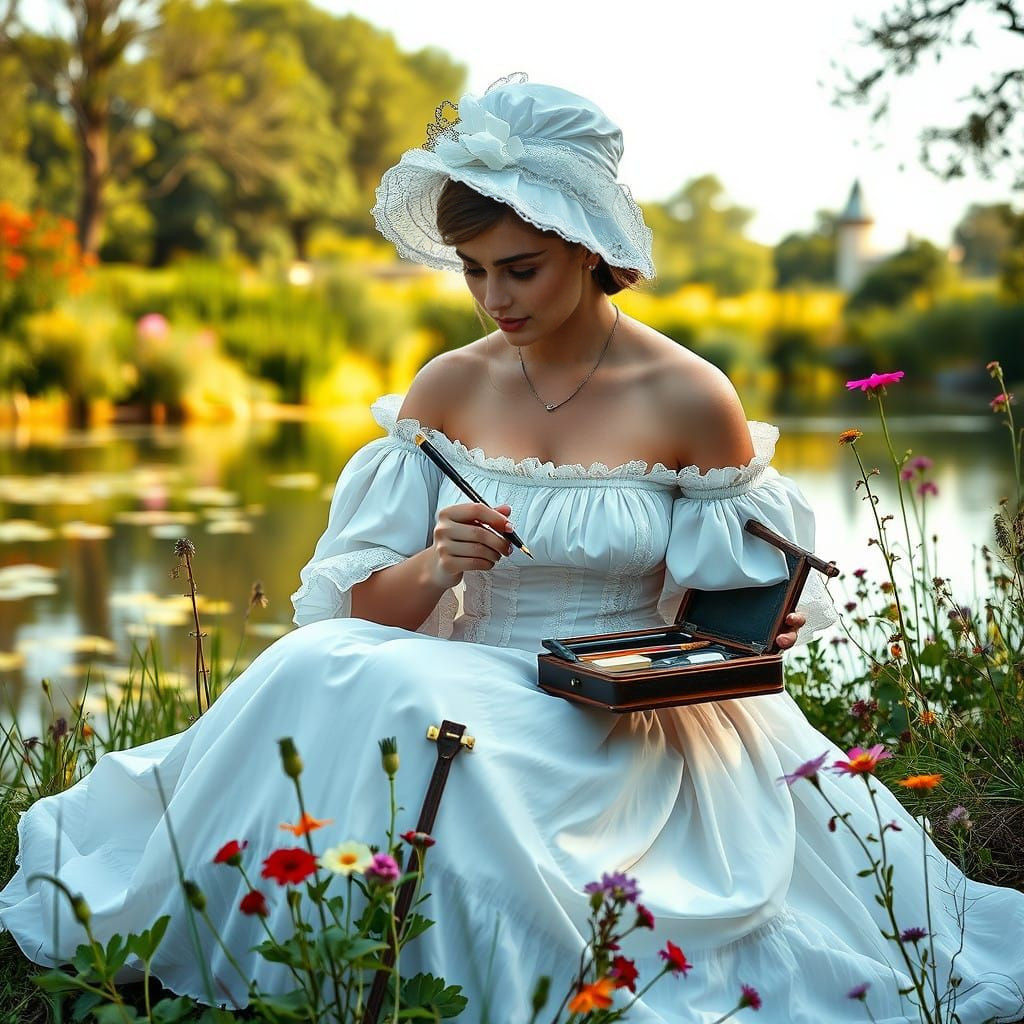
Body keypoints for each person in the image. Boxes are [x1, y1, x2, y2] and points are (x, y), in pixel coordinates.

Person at [2, 73, 1023, 1024]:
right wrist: (438, 564)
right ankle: (228, 917)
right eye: (474, 271)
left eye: (521, 269)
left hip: (624, 715)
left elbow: (737, 620)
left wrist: (764, 618)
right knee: (324, 663)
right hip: (466, 671)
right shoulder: (447, 388)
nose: (497, 299)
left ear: (587, 245)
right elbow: (361, 617)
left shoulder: (688, 396)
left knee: (440, 729)